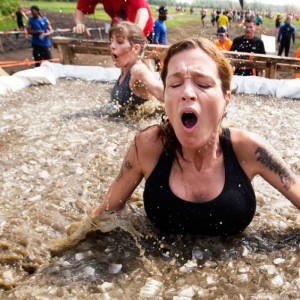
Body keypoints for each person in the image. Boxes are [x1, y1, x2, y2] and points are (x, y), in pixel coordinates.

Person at [91, 37, 300, 237]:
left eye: (203, 84)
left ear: (226, 99)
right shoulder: (148, 146)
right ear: (165, 97)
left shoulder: (249, 149)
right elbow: (104, 214)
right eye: (175, 85)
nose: (187, 93)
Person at [109, 21, 163, 111]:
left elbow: (159, 91)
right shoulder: (124, 70)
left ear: (136, 48)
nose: (112, 46)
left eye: (119, 42)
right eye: (111, 41)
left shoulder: (138, 70)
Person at [73, 0, 153, 43]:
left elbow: (143, 14)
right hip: (119, 27)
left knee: (143, 62)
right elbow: (80, 9)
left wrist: (133, 35)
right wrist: (79, 23)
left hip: (142, 29)